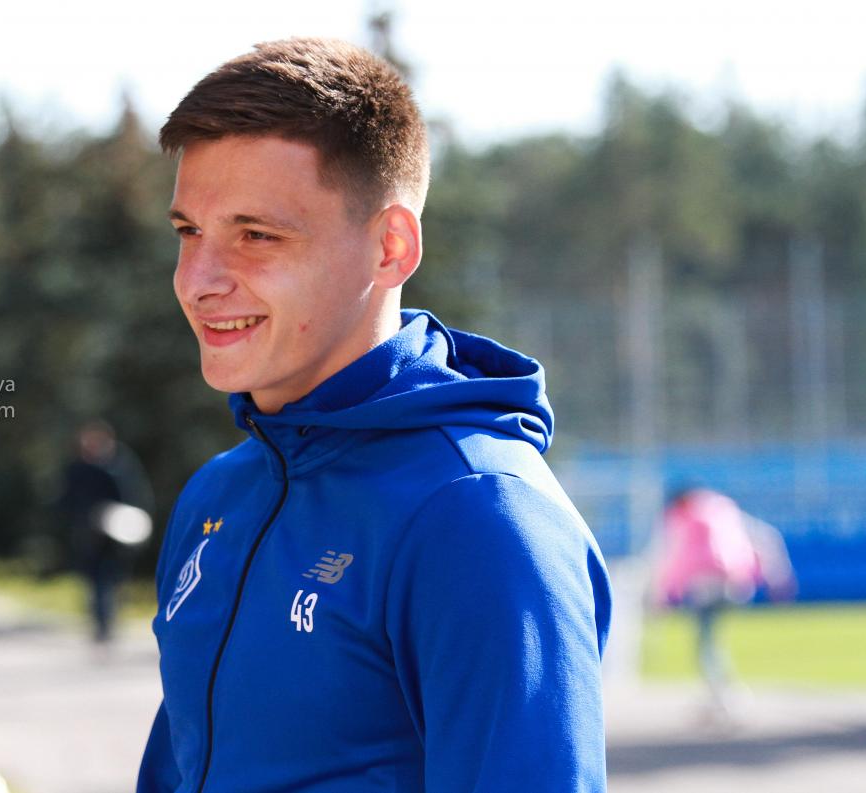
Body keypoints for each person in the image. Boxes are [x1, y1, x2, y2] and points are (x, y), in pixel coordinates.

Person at [137, 38, 611, 792]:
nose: (198, 281)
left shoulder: (480, 517)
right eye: (189, 231)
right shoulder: (219, 494)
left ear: (390, 246)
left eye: (256, 235)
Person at [652, 486, 795, 713]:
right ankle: (722, 692)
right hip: (736, 583)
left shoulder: (683, 518)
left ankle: (724, 695)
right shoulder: (723, 508)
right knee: (711, 640)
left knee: (706, 642)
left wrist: (665, 593)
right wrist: (776, 577)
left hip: (706, 585)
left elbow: (674, 556)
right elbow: (763, 538)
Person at [57, 420, 151, 645]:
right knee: (93, 582)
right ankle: (99, 625)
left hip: (115, 539)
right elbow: (68, 501)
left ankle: (108, 624)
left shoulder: (119, 467)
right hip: (88, 537)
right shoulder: (77, 469)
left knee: (112, 580)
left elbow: (133, 499)